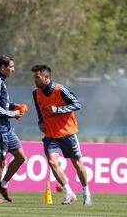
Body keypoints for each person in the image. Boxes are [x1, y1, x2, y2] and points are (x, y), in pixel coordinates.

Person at [31, 64, 92, 206]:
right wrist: (40, 121)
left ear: (47, 77)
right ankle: (69, 192)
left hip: (67, 132)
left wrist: (58, 110)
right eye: (34, 77)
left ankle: (86, 192)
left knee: (77, 164)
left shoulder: (60, 89)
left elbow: (77, 104)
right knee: (52, 163)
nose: (35, 80)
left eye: (37, 77)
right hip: (50, 134)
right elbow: (39, 109)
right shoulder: (36, 93)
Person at [0, 55, 27, 203]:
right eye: (11, 67)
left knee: (21, 157)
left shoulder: (1, 81)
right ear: (2, 67)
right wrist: (13, 114)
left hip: (7, 129)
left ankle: (3, 185)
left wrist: (14, 106)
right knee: (0, 163)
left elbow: (1, 104)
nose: (13, 70)